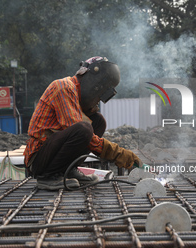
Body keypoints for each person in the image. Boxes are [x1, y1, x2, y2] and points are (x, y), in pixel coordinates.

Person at [24, 56, 141, 190]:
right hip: (38, 159)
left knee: (97, 122)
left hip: (50, 153)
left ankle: (68, 169)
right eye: (100, 93)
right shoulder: (64, 88)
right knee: (83, 129)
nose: (98, 100)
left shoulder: (76, 98)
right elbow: (86, 136)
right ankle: (48, 176)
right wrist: (123, 156)